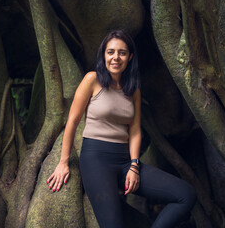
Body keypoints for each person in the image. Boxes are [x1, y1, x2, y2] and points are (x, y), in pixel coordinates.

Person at [46, 30, 196, 228]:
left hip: (125, 161)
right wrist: (63, 162)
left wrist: (134, 165)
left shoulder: (133, 88)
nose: (116, 57)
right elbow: (72, 121)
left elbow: (134, 130)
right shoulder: (92, 80)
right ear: (104, 55)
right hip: (96, 161)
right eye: (111, 52)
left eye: (122, 52)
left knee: (185, 195)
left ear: (130, 57)